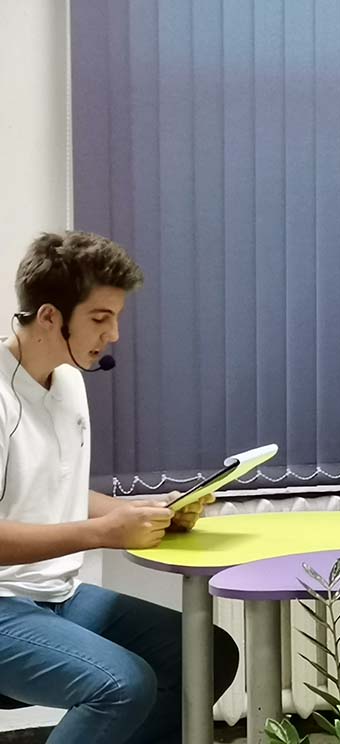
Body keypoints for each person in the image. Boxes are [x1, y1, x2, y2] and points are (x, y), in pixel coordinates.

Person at [0, 232, 238, 743]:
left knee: (206, 654)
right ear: (49, 317)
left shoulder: (67, 380)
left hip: (55, 594)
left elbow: (49, 492)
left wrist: (148, 510)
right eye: (100, 318)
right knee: (122, 686)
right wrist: (106, 533)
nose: (113, 335)